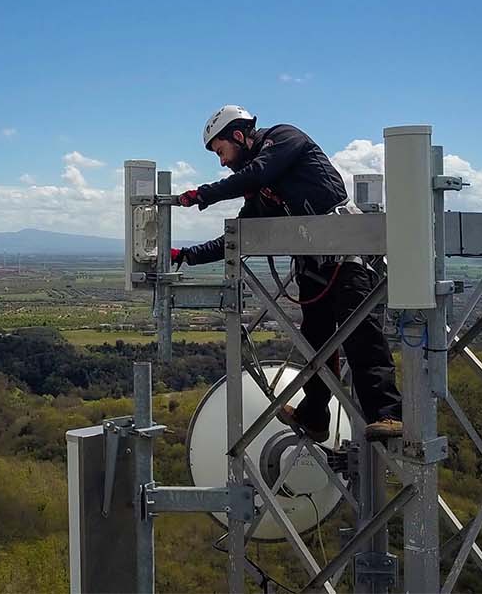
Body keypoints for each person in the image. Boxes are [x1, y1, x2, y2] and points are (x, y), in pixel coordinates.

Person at [172, 105, 403, 441]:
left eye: (221, 151)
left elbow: (256, 173)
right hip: (314, 267)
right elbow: (237, 234)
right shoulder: (263, 190)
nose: (222, 162)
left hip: (346, 258)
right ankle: (315, 417)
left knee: (361, 338)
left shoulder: (284, 138)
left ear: (238, 135)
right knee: (315, 344)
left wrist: (202, 195)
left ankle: (388, 415)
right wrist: (186, 256)